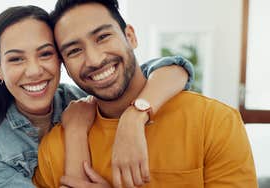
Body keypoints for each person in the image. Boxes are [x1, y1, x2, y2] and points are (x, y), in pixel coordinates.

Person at [0, 5, 194, 188]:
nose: (34, 70)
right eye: (16, 59)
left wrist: (135, 116)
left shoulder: (86, 96)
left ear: (61, 60)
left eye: (45, 54)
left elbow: (171, 68)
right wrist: (75, 132)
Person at [33, 0, 258, 187]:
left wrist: (135, 115)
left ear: (130, 36)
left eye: (102, 37)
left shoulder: (214, 122)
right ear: (65, 67)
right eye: (74, 51)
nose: (94, 59)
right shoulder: (56, 148)